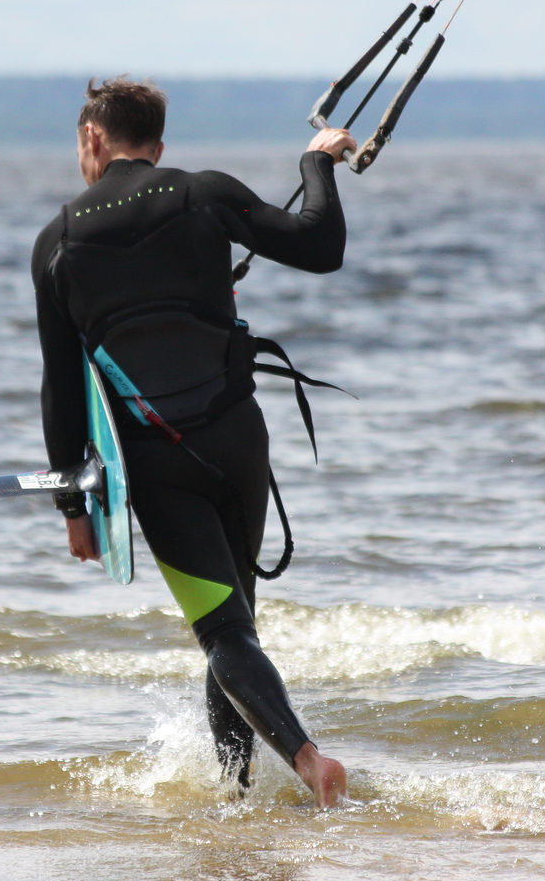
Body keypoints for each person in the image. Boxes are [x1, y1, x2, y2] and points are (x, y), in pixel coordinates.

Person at [30, 77, 353, 808]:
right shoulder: (203, 193)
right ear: (158, 145)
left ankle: (307, 762)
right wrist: (317, 163)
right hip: (238, 438)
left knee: (223, 633)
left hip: (156, 461)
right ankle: (234, 796)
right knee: (235, 625)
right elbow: (319, 245)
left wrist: (72, 507)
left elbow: (60, 384)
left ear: (90, 138)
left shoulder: (57, 244)